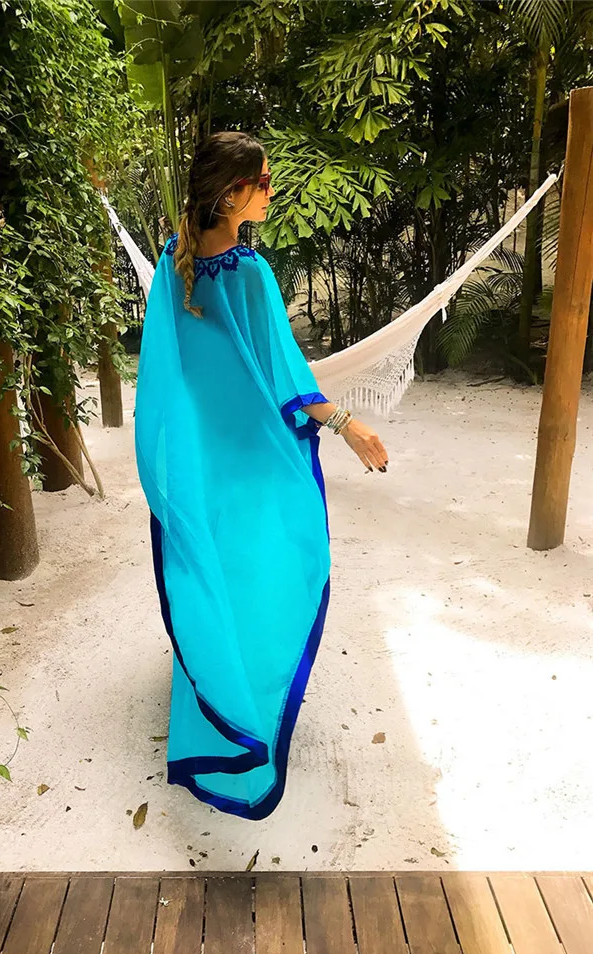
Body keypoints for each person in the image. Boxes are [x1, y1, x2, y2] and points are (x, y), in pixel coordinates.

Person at [135, 132, 388, 820]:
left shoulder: (171, 265)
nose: (272, 193)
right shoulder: (248, 273)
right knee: (274, 562)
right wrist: (348, 427)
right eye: (264, 183)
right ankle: (244, 694)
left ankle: (219, 689)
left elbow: (162, 389)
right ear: (231, 194)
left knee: (214, 571)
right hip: (248, 461)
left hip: (202, 467)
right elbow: (287, 376)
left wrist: (173, 468)